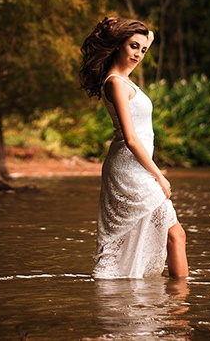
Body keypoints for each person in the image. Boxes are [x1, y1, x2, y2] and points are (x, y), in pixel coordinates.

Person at [79, 17, 188, 279]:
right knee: (175, 234)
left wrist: (129, 31)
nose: (139, 53)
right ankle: (180, 307)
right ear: (118, 46)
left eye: (143, 50)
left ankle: (170, 301)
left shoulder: (126, 79)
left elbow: (148, 35)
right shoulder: (115, 82)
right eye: (133, 46)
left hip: (138, 167)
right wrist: (158, 175)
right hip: (128, 169)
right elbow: (130, 138)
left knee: (173, 234)